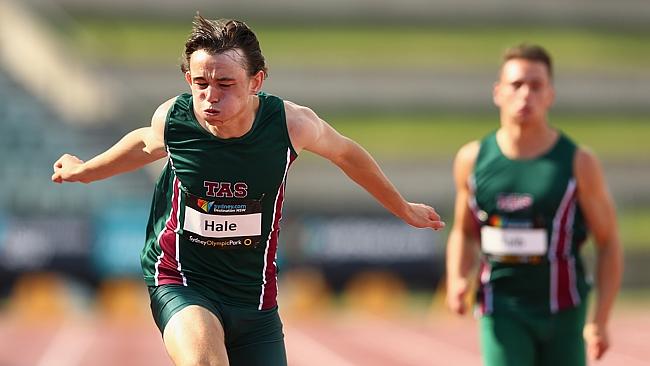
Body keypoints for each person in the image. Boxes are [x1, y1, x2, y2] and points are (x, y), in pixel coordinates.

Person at [52, 14, 444, 366]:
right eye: (200, 83)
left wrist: (402, 207)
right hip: (182, 280)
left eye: (225, 83)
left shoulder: (291, 125)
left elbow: (347, 155)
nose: (210, 96)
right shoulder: (174, 119)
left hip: (253, 296)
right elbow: (142, 144)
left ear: (256, 81)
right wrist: (85, 170)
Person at [444, 43, 623, 366]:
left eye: (536, 86)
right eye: (516, 85)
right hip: (502, 307)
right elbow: (464, 232)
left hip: (563, 310)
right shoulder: (472, 160)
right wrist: (457, 277)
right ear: (498, 92)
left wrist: (601, 320)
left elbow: (608, 243)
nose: (525, 94)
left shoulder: (578, 163)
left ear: (550, 95)